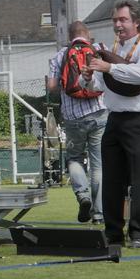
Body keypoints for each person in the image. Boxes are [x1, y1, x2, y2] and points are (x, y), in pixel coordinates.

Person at [81, 0, 140, 252]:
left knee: (139, 179)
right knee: (112, 179)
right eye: (115, 20)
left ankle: (138, 233)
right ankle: (113, 233)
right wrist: (88, 77)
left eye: (123, 20)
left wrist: (109, 66)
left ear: (136, 22)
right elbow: (100, 85)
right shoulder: (112, 47)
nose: (118, 25)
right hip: (114, 118)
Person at [47, 21, 108, 226]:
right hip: (99, 113)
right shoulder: (98, 49)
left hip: (73, 117)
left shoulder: (60, 55)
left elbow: (52, 86)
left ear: (69, 37)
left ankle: (82, 196)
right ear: (87, 35)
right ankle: (98, 214)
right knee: (98, 164)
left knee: (74, 159)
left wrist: (64, 87)